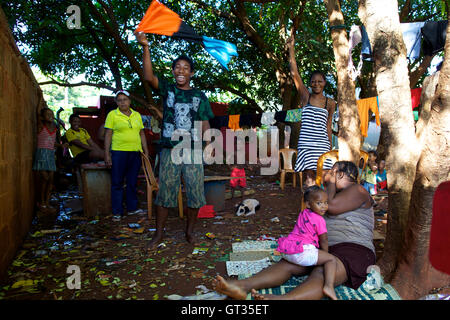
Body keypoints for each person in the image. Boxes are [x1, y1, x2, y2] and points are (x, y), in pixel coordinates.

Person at [213, 161, 375, 300]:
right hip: (328, 249)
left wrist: (331, 181)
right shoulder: (329, 194)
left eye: (332, 171)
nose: (326, 175)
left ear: (339, 175)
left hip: (353, 250)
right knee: (290, 262)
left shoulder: (358, 190)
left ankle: (285, 299)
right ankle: (241, 286)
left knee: (322, 271)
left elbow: (331, 207)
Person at [135, 32, 215, 248]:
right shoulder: (168, 90)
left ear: (191, 73)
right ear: (173, 71)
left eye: (185, 68)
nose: (181, 71)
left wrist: (209, 146)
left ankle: (189, 232)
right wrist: (145, 47)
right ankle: (159, 234)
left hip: (193, 149)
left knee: (195, 192)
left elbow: (205, 123)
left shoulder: (199, 96)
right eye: (177, 67)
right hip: (170, 148)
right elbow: (149, 77)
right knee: (165, 192)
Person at [274, 185, 337, 300]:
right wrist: (325, 255)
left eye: (326, 202)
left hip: (288, 251)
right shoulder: (320, 220)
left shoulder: (303, 213)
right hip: (303, 252)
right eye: (319, 203)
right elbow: (324, 239)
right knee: (331, 259)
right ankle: (329, 286)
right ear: (308, 204)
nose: (324, 206)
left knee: (310, 255)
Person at [288, 44, 337, 188]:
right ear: (310, 83)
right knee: (309, 179)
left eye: (319, 81)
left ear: (325, 83)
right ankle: (308, 208)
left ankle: (324, 207)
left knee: (326, 177)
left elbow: (328, 126)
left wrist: (329, 146)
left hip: (322, 144)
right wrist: (291, 48)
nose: (316, 84)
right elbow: (294, 74)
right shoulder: (305, 97)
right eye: (313, 81)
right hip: (306, 144)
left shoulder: (330, 103)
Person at [104, 90, 149, 221]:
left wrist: (145, 151)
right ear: (117, 102)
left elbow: (141, 134)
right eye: (120, 100)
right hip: (119, 152)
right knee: (117, 182)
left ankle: (132, 209)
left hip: (135, 152)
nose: (123, 102)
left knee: (132, 182)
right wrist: (107, 154)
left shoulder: (136, 115)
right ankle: (117, 212)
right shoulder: (112, 115)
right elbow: (108, 134)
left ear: (129, 101)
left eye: (125, 99)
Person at [33, 107, 67, 212]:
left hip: (51, 154)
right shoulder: (40, 126)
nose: (50, 116)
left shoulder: (55, 127)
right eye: (47, 114)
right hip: (42, 154)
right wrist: (39, 98)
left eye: (51, 114)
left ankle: (47, 203)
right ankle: (42, 202)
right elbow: (38, 113)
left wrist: (61, 146)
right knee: (45, 178)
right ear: (42, 117)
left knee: (50, 180)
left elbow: (52, 142)